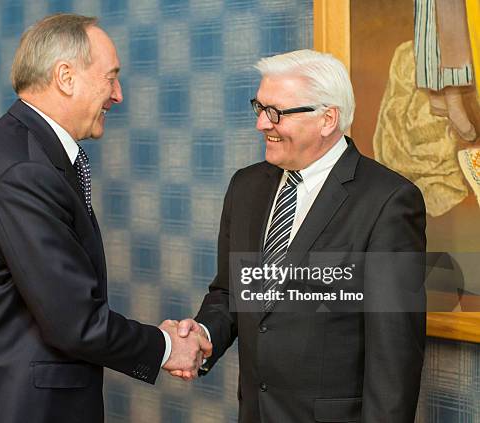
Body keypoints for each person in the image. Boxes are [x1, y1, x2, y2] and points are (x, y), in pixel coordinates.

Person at [0, 14, 211, 423]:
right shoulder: (24, 170)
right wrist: (167, 346)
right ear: (65, 77)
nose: (118, 95)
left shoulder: (28, 151)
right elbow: (76, 322)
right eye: (111, 78)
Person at [171, 50, 427, 422]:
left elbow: (394, 352)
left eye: (275, 112)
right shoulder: (246, 186)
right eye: (259, 107)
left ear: (327, 119)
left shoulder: (388, 201)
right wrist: (203, 333)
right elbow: (231, 292)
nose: (261, 123)